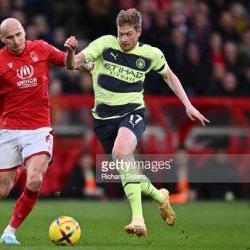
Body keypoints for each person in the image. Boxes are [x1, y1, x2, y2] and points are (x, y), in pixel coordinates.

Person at [64, 8, 210, 237]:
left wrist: (187, 104)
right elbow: (72, 65)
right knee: (126, 170)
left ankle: (138, 219)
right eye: (120, 33)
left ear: (139, 32)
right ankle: (161, 197)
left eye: (128, 34)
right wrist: (71, 52)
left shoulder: (151, 54)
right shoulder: (104, 44)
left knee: (122, 153)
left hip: (133, 112)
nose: (123, 39)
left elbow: (170, 76)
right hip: (103, 120)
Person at [0, 18, 90, 245]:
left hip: (38, 129)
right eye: (10, 37)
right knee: (1, 192)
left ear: (24, 32)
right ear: (2, 39)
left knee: (34, 180)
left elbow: (69, 64)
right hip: (8, 130)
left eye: (19, 34)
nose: (16, 41)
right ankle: (21, 163)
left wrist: (74, 54)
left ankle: (10, 231)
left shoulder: (41, 48)